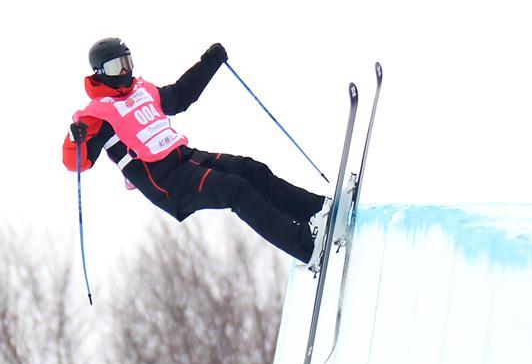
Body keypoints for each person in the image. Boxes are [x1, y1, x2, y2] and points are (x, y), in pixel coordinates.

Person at [63, 37, 332, 268]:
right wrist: (76, 140)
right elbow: (76, 162)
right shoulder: (97, 115)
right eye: (115, 66)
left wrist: (209, 62)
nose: (124, 72)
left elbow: (180, 97)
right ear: (100, 72)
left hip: (184, 158)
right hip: (165, 182)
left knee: (251, 169)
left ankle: (318, 210)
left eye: (127, 62)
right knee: (236, 190)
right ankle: (306, 246)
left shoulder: (143, 91)